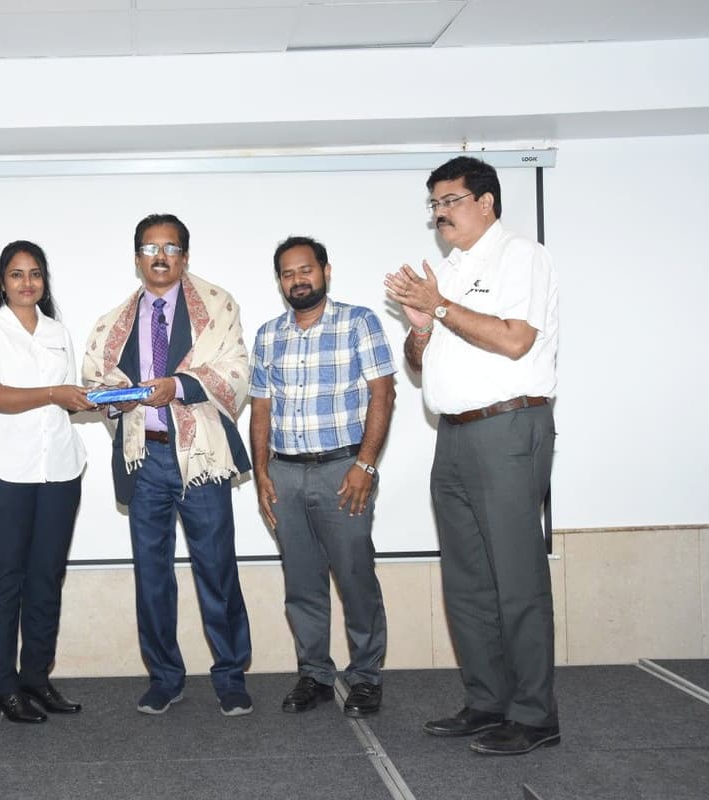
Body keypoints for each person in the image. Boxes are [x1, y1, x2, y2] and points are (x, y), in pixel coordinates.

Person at [384, 155, 560, 755]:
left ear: (486, 202)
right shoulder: (450, 270)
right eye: (433, 204)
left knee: (517, 580)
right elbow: (418, 362)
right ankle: (488, 702)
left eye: (450, 200)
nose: (439, 213)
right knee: (467, 584)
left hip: (509, 428)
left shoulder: (522, 256)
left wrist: (438, 307)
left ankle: (536, 716)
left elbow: (515, 340)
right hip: (453, 435)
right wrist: (422, 326)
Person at [83, 213, 253, 717]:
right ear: (137, 258)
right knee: (151, 574)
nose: (161, 256)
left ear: (185, 256)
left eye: (171, 248)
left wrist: (176, 385)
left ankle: (230, 675)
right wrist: (119, 398)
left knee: (217, 568)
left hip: (200, 459)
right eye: (151, 248)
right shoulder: (113, 321)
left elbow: (237, 370)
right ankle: (164, 677)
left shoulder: (218, 306)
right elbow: (97, 377)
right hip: (147, 458)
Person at [249, 236, 396, 718]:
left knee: (355, 577)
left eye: (306, 270)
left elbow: (383, 394)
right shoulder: (269, 335)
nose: (298, 280)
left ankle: (366, 678)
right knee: (302, 583)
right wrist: (262, 474)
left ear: (325, 271)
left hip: (343, 470)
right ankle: (314, 674)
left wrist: (366, 465)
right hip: (285, 474)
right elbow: (261, 408)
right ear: (280, 281)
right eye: (288, 273)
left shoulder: (359, 322)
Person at [0, 241, 94, 724]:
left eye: (35, 274)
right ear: (2, 281)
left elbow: (68, 395)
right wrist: (55, 392)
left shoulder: (58, 331)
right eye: (17, 274)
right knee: (3, 582)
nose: (27, 283)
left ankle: (36, 679)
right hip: (0, 472)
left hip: (58, 470)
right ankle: (1, 686)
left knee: (46, 580)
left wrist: (94, 397)